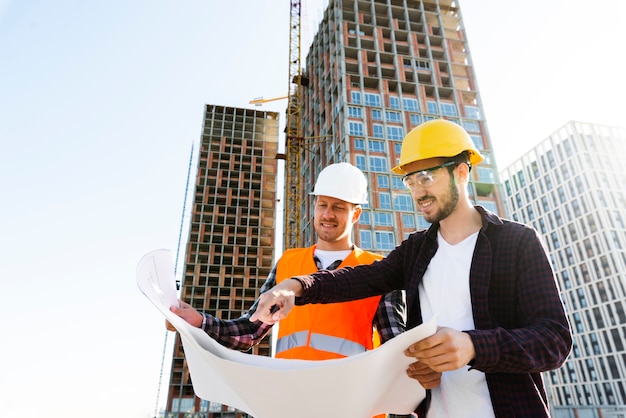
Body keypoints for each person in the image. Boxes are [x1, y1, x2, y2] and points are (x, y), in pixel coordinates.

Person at [251, 119, 573, 417]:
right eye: (411, 180)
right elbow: (358, 278)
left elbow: (553, 340)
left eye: (427, 176)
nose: (418, 192)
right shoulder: (416, 251)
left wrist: (473, 345)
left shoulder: (516, 242)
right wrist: (297, 286)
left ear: (461, 172)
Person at [169, 162, 408, 417]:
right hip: (290, 406)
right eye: (322, 205)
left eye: (338, 207)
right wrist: (199, 322)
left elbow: (396, 351)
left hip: (349, 408)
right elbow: (250, 331)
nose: (328, 214)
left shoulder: (377, 270)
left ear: (356, 214)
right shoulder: (288, 263)